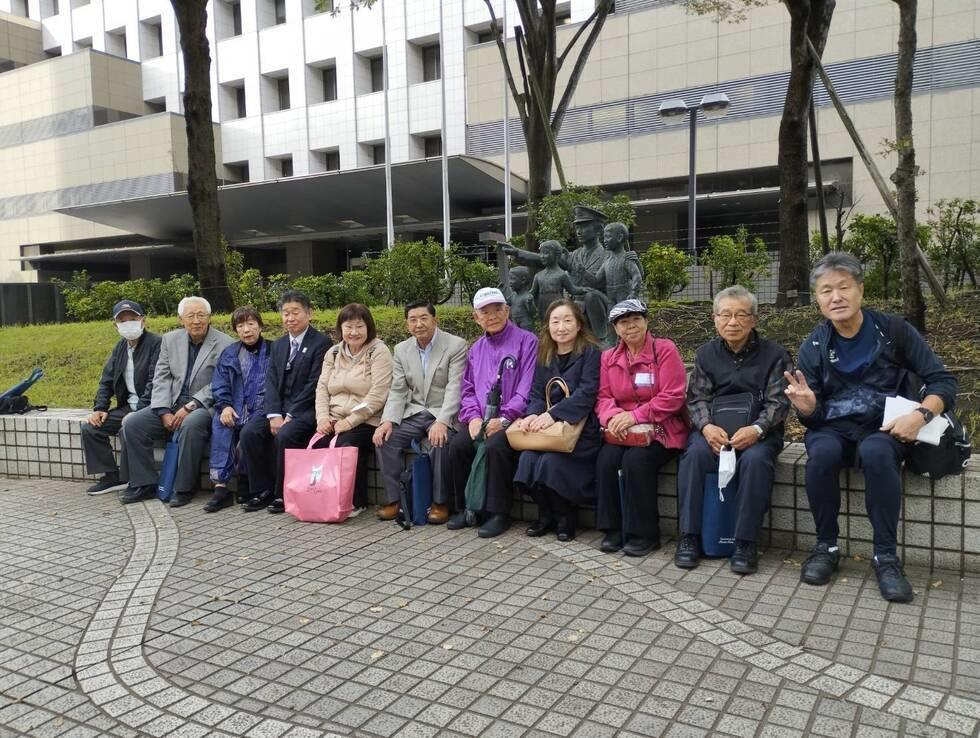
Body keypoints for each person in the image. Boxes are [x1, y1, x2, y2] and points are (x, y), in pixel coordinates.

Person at [787, 252, 957, 602]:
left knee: (877, 453)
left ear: (860, 290)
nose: (836, 297)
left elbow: (943, 382)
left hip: (885, 428)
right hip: (832, 429)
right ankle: (825, 548)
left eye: (844, 287)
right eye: (825, 291)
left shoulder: (893, 330)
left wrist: (920, 416)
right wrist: (807, 408)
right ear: (818, 300)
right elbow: (813, 419)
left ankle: (885, 557)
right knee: (821, 454)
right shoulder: (815, 345)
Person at [674, 286, 793, 574]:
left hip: (758, 433)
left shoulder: (775, 355)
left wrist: (757, 429)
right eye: (725, 315)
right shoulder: (705, 354)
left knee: (755, 461)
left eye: (741, 315)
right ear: (714, 318)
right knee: (694, 456)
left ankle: (745, 542)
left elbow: (779, 402)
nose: (732, 322)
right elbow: (697, 398)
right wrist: (705, 427)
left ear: (754, 319)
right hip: (715, 431)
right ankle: (689, 536)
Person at [117, 296, 234, 506]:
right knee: (133, 423)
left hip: (203, 406)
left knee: (190, 424)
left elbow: (220, 382)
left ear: (209, 318)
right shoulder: (170, 340)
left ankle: (184, 487)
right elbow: (161, 377)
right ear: (182, 319)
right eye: (191, 316)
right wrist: (163, 410)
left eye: (201, 315)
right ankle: (144, 483)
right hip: (171, 403)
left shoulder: (225, 343)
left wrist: (191, 406)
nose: (196, 321)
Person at [595, 299, 688, 556]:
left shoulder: (664, 349)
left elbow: (673, 395)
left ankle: (645, 534)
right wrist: (613, 418)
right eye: (623, 322)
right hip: (623, 430)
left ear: (646, 322)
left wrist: (636, 416)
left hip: (663, 427)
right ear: (616, 329)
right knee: (606, 459)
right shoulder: (608, 358)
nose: (631, 326)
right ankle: (613, 530)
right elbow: (603, 398)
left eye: (636, 319)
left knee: (636, 461)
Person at [444, 287, 538, 538]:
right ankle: (465, 508)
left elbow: (526, 388)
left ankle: (499, 513)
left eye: (497, 309)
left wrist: (505, 418)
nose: (492, 315)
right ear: (476, 317)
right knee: (458, 445)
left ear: (507, 311)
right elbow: (467, 390)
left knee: (497, 446)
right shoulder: (475, 349)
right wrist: (473, 418)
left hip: (514, 418)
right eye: (485, 312)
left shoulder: (527, 340)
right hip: (481, 417)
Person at [510, 299, 601, 541]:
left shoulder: (591, 352)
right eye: (555, 321)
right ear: (548, 326)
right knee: (528, 459)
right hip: (549, 427)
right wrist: (533, 415)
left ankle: (565, 516)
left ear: (579, 324)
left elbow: (587, 393)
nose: (561, 327)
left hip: (579, 428)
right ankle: (545, 513)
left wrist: (553, 415)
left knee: (550, 463)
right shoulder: (545, 354)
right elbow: (537, 392)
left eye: (567, 320)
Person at [373, 301, 468, 524]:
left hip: (443, 411)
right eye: (413, 319)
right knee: (385, 439)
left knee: (440, 441)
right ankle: (396, 501)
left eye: (424, 318)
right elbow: (397, 390)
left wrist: (443, 421)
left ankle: (440, 502)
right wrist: (387, 421)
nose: (419, 324)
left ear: (435, 320)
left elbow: (456, 388)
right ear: (407, 324)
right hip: (414, 411)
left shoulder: (455, 345)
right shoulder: (402, 349)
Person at [239, 291, 331, 514]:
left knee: (286, 434)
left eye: (295, 312)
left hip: (306, 408)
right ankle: (261, 490)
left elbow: (315, 385)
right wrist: (273, 414)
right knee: (249, 432)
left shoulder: (322, 343)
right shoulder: (279, 345)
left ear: (309, 314)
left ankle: (283, 493)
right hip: (278, 408)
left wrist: (290, 416)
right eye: (285, 313)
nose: (290, 318)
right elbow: (270, 381)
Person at [312, 303, 393, 513]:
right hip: (334, 417)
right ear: (340, 328)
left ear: (369, 327)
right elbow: (322, 388)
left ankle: (355, 501)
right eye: (348, 327)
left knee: (346, 444)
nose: (354, 332)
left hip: (367, 419)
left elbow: (378, 394)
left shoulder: (379, 351)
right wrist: (322, 418)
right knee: (319, 443)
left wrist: (349, 422)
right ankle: (326, 498)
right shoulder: (333, 352)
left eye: (359, 326)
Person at [81, 300, 162, 495]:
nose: (128, 324)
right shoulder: (120, 348)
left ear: (143, 320)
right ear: (115, 325)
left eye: (132, 318)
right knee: (91, 428)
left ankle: (137, 480)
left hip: (151, 407)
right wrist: (99, 408)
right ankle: (111, 476)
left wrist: (138, 412)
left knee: (131, 425)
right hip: (128, 407)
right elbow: (106, 380)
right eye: (122, 321)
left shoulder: (156, 344)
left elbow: (155, 382)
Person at [203, 306, 271, 513]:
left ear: (260, 326)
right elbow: (220, 383)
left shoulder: (274, 350)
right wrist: (224, 406)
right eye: (240, 326)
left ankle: (246, 482)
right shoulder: (230, 353)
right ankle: (221, 488)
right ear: (235, 330)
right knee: (220, 423)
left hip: (263, 408)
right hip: (235, 406)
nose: (246, 330)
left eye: (251, 324)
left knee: (250, 432)